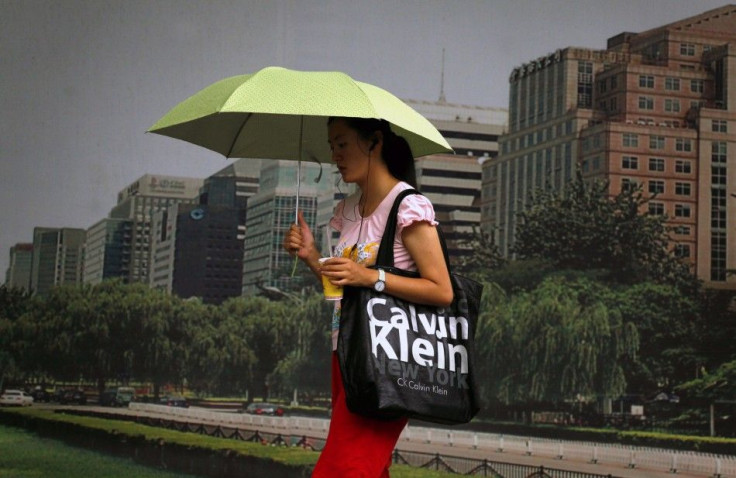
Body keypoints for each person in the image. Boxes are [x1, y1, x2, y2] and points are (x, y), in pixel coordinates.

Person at [283, 117, 453, 477]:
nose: (335, 156)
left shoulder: (407, 206)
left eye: (342, 144)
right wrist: (313, 256)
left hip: (388, 362)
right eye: (332, 147)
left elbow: (442, 290)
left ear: (374, 142)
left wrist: (370, 276)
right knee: (368, 469)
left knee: (343, 470)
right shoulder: (347, 212)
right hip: (345, 353)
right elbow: (347, 291)